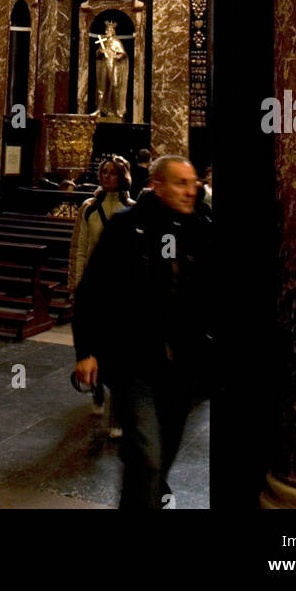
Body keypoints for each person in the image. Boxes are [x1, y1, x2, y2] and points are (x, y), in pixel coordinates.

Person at [72, 155, 210, 510]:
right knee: (146, 453)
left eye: (193, 182)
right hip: (135, 364)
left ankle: (143, 495)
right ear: (157, 186)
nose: (190, 190)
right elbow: (92, 291)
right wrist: (86, 351)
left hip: (184, 366)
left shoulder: (200, 230)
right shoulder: (126, 227)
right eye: (181, 182)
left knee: (161, 456)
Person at [68, 156, 134, 433]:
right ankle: (96, 390)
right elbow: (80, 248)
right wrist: (77, 284)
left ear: (123, 176)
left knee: (118, 349)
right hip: (93, 290)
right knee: (93, 343)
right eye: (103, 172)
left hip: (120, 290)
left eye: (112, 173)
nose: (106, 177)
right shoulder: (89, 208)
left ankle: (117, 410)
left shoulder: (131, 209)